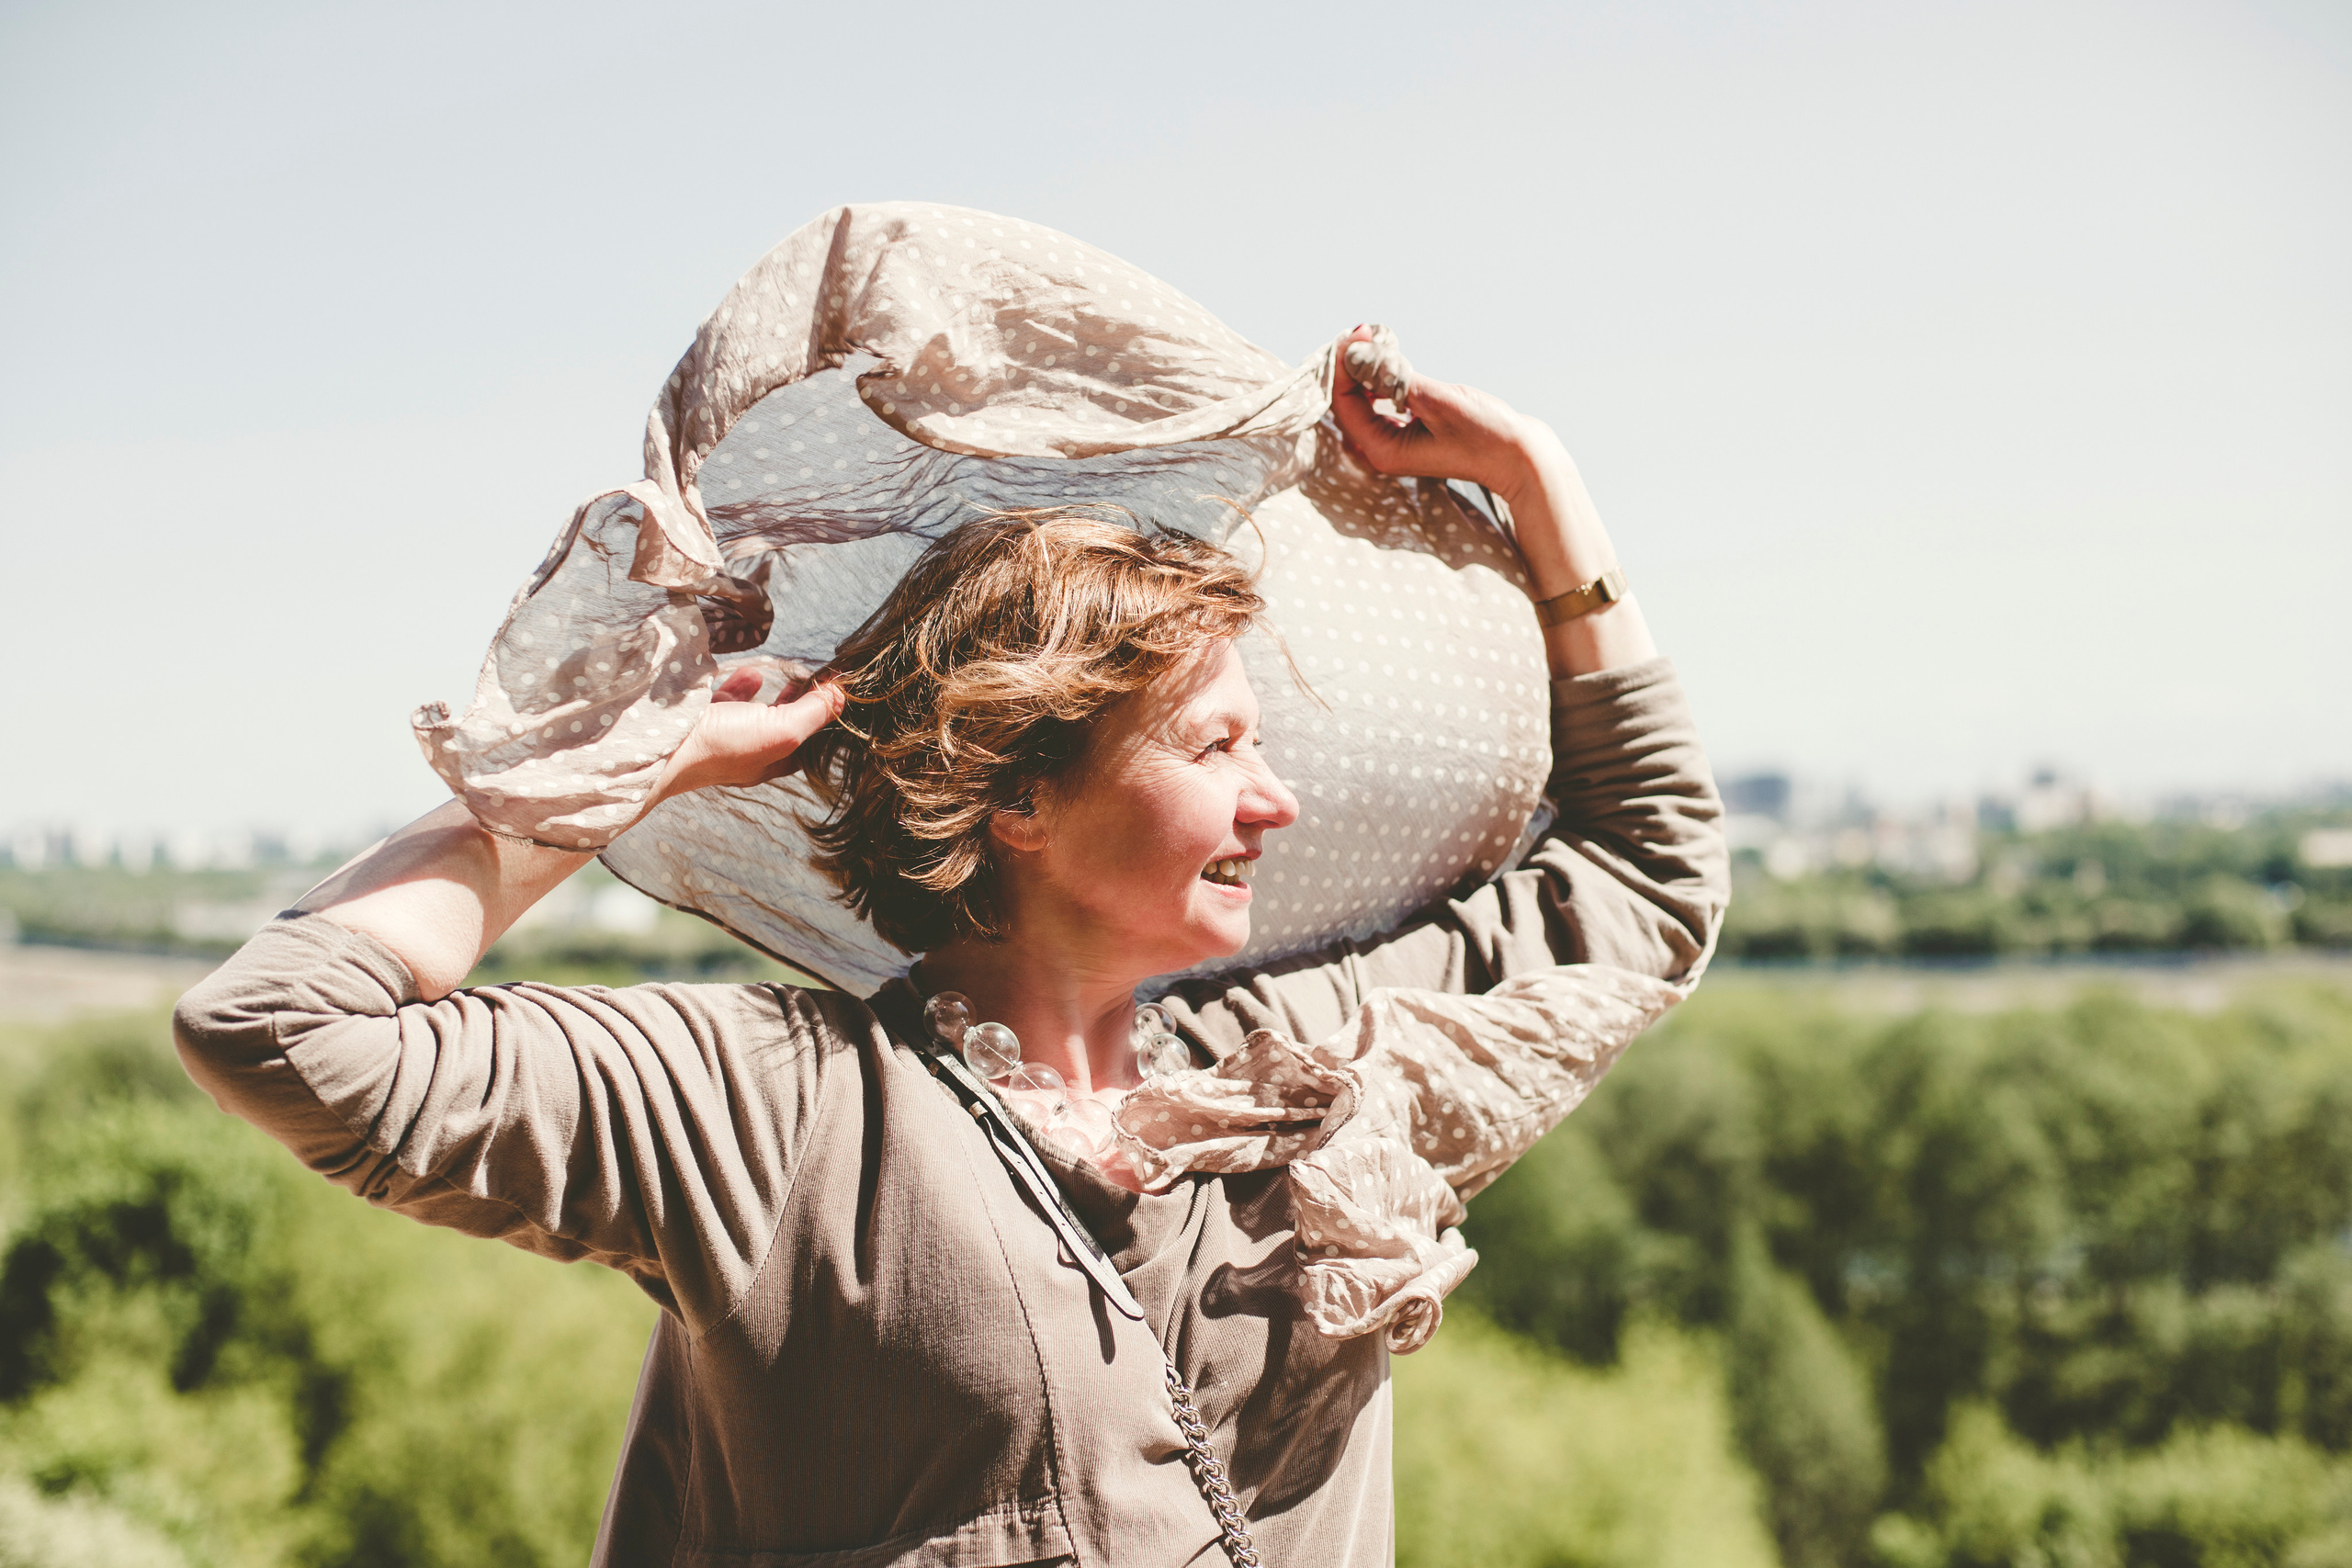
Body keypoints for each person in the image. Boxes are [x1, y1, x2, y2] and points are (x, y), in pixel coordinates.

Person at [175, 327, 1726, 1568]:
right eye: (1215, 746)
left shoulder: (1312, 1072)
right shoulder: (771, 1107)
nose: (1277, 799)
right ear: (1023, 794)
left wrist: (1544, 492)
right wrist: (624, 775)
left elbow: (1648, 881)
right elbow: (285, 1027)